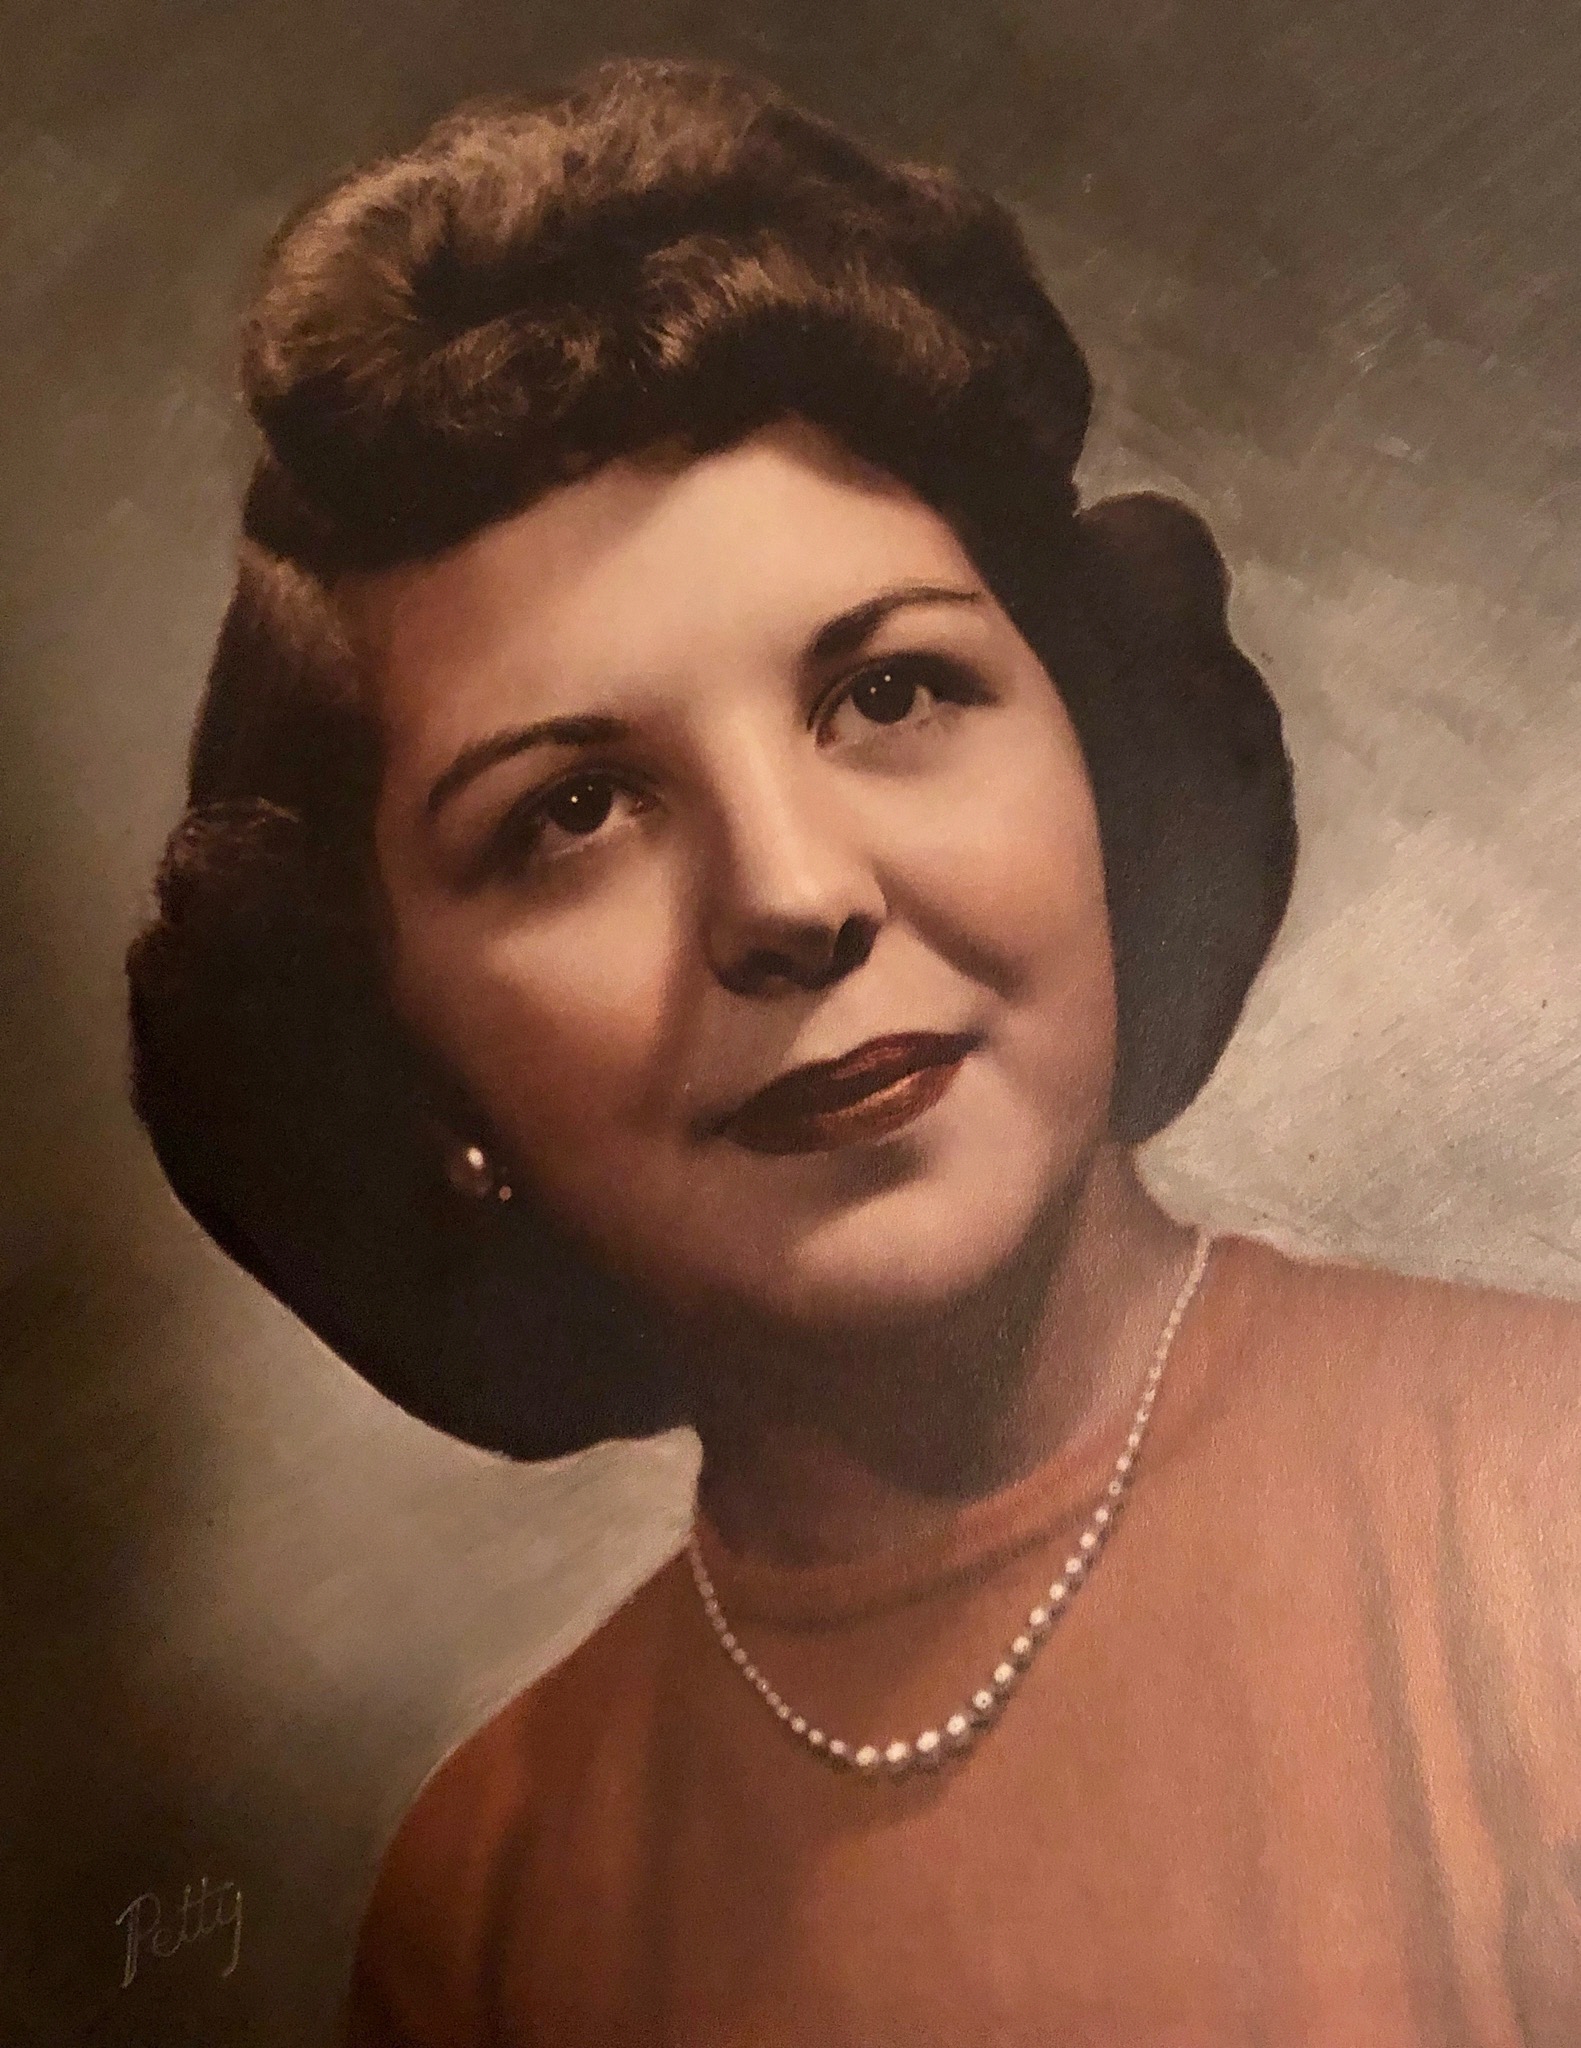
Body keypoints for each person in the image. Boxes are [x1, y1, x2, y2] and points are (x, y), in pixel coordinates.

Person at [126, 56, 1581, 2048]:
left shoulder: (1540, 1512)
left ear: (1099, 763)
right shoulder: (488, 1905)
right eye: (571, 813)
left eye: (889, 691)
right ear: (408, 1051)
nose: (791, 894)